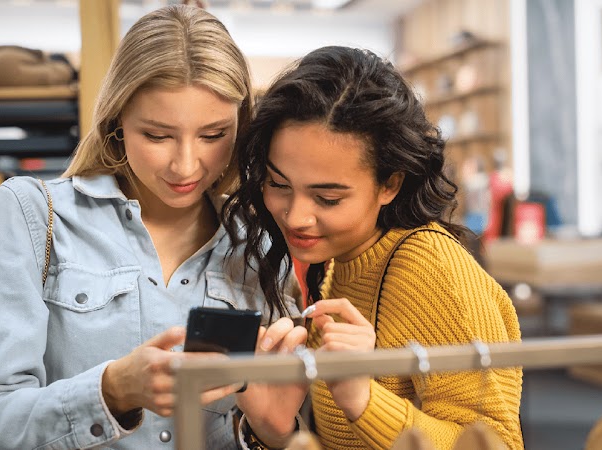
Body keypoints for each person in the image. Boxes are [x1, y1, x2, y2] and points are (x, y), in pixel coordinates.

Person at [0, 5, 306, 450]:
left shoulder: (261, 242)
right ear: (118, 120)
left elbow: (278, 425)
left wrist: (274, 432)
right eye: (158, 136)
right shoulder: (29, 216)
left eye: (214, 135)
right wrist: (111, 390)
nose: (185, 165)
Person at [223, 46, 524, 449]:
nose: (295, 217)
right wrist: (275, 428)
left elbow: (497, 443)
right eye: (279, 185)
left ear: (390, 184)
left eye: (327, 198)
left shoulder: (432, 269)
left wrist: (362, 397)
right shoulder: (337, 265)